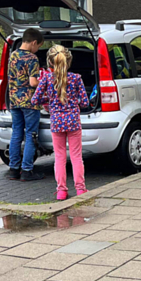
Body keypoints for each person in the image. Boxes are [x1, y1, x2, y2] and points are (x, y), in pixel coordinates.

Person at [31, 45, 89, 201]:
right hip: (73, 122)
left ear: (50, 62)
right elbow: (85, 102)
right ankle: (80, 189)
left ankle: (62, 190)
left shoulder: (47, 78)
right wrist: (73, 101)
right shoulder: (76, 78)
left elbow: (35, 99)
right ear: (68, 61)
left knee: (60, 157)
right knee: (76, 156)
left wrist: (49, 99)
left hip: (56, 122)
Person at [6, 28, 44, 182]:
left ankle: (13, 169)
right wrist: (46, 83)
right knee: (30, 134)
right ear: (34, 42)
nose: (37, 49)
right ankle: (27, 170)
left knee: (16, 133)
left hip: (14, 100)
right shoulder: (32, 58)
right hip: (29, 102)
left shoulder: (12, 55)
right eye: (39, 46)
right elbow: (33, 82)